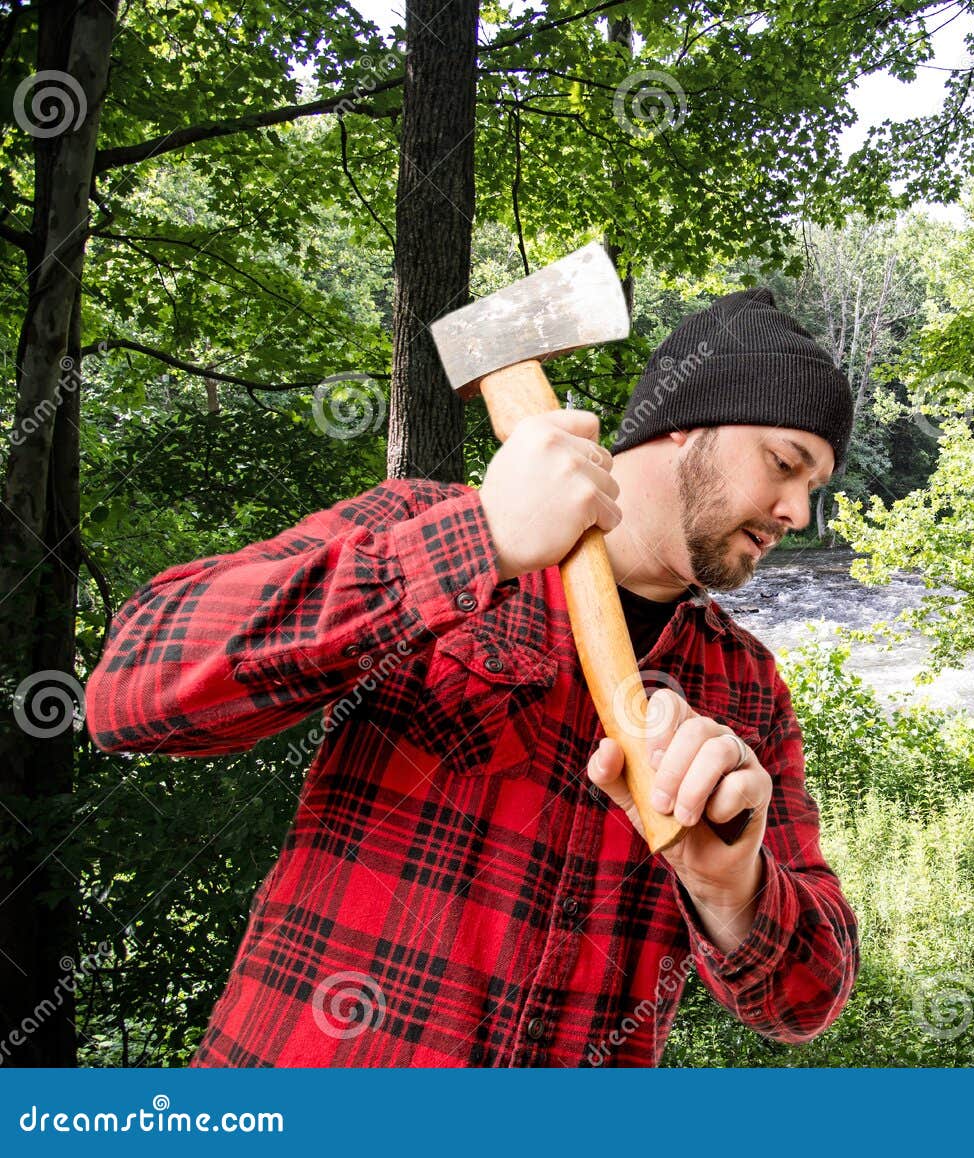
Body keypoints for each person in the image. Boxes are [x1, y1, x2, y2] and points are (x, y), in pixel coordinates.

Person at [85, 287, 859, 1066]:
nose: (796, 510)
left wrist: (733, 888)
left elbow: (806, 1000)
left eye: (813, 486)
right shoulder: (417, 526)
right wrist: (478, 541)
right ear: (684, 422)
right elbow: (132, 689)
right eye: (783, 463)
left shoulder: (747, 684)